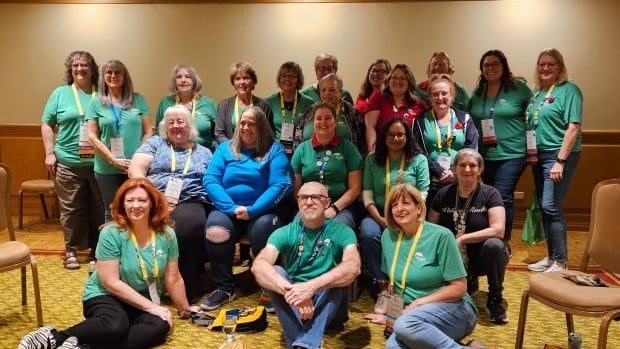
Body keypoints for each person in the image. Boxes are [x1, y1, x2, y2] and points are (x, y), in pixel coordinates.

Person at [18, 178, 200, 349]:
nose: (136, 205)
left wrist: (185, 310)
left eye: (142, 200)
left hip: (142, 298)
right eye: (130, 201)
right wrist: (152, 307)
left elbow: (173, 277)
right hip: (106, 295)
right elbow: (110, 282)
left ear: (152, 203)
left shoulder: (166, 234)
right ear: (122, 204)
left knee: (160, 327)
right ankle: (56, 337)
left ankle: (82, 346)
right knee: (115, 326)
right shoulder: (111, 232)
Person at [367, 183, 486, 349]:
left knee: (405, 326)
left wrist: (418, 304)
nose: (399, 209)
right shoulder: (388, 236)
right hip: (413, 316)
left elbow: (459, 288)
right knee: (392, 346)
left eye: (406, 203)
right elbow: (395, 287)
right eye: (394, 205)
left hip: (455, 309)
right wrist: (391, 319)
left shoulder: (441, 236)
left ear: (418, 208)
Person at [202, 106, 293, 310]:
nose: (245, 127)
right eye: (242, 123)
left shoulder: (274, 150)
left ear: (261, 126)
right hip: (230, 209)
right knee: (215, 230)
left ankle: (268, 285)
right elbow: (210, 179)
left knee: (264, 230)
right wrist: (232, 208)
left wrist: (252, 210)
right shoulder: (225, 148)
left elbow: (281, 185)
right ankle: (224, 288)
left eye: (251, 123)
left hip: (264, 209)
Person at [252, 181, 361, 349]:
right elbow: (258, 266)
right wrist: (292, 292)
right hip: (294, 304)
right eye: (303, 197)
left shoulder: (343, 231)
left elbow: (353, 266)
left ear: (327, 202)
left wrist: (311, 287)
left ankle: (304, 340)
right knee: (274, 271)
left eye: (315, 197)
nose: (308, 202)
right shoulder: (285, 232)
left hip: (330, 307)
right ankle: (306, 343)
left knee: (337, 275)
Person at [129, 105, 213, 302]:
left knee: (186, 228)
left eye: (180, 122)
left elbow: (213, 179)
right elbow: (136, 170)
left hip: (191, 199)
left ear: (189, 126)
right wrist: (156, 197)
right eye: (171, 122)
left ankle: (187, 285)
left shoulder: (204, 151)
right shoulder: (155, 143)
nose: (175, 126)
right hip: (154, 199)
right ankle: (144, 283)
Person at [428, 149, 509, 324]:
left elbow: (498, 230)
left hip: (480, 254)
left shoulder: (490, 193)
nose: (467, 169)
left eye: (472, 165)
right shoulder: (443, 194)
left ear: (479, 169)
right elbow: (431, 229)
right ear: (455, 168)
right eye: (462, 165)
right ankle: (465, 280)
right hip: (451, 255)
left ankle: (495, 298)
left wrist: (463, 238)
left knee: (495, 245)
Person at [41, 50, 104, 270]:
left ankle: (98, 250)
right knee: (71, 209)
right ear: (70, 69)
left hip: (100, 164)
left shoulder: (103, 93)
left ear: (92, 69)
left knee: (100, 209)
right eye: (75, 65)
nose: (79, 69)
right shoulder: (60, 93)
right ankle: (71, 251)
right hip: (68, 162)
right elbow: (47, 124)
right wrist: (50, 152)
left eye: (84, 65)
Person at [361, 118, 430, 314]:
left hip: (410, 214)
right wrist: (382, 220)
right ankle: (383, 289)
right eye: (391, 134)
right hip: (378, 214)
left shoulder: (419, 160)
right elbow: (367, 194)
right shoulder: (372, 160)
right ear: (383, 137)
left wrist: (406, 216)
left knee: (409, 236)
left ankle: (404, 289)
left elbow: (423, 193)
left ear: (408, 137)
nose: (396, 138)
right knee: (368, 233)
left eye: (401, 134)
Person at [467, 50, 532, 252]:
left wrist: (532, 150)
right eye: (486, 65)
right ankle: (488, 238)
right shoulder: (479, 92)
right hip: (484, 156)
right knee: (484, 197)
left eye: (495, 64)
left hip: (512, 154)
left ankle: (502, 241)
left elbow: (534, 116)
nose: (491, 68)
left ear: (504, 67)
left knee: (502, 196)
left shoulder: (519, 89)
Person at [526, 48, 582, 273]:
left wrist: (560, 160)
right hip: (538, 156)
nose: (545, 68)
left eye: (551, 64)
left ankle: (560, 260)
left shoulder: (570, 90)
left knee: (551, 205)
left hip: (558, 155)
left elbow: (574, 127)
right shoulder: (539, 93)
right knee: (544, 206)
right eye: (542, 64)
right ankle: (551, 257)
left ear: (560, 66)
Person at [87, 59, 152, 221]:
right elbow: (92, 137)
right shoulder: (95, 102)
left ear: (125, 77)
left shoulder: (138, 99)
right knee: (112, 210)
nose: (113, 76)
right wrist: (113, 160)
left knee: (137, 208)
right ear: (103, 77)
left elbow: (149, 132)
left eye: (118, 72)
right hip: (106, 168)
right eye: (109, 72)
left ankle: (135, 245)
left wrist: (137, 159)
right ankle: (112, 246)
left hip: (135, 166)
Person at [291, 102, 363, 230]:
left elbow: (355, 188)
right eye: (318, 118)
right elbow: (296, 189)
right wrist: (308, 205)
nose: (323, 122)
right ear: (313, 123)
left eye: (328, 118)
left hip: (341, 205)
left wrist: (334, 208)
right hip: (309, 203)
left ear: (335, 122)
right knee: (298, 230)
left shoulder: (348, 148)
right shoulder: (301, 149)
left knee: (335, 231)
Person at [412, 73, 478, 207]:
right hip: (430, 181)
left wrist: (454, 171)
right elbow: (417, 150)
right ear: (429, 97)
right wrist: (438, 170)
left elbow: (471, 148)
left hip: (460, 178)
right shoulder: (419, 120)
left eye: (444, 93)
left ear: (452, 96)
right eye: (435, 94)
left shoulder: (465, 119)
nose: (440, 98)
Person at [364, 64, 428, 153]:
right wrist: (372, 150)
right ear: (388, 81)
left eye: (402, 78)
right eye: (394, 78)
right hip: (381, 152)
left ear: (409, 82)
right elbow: (370, 126)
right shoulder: (378, 97)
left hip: (409, 153)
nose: (397, 81)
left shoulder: (419, 105)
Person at [154, 64, 217, 151]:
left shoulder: (208, 103)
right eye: (179, 77)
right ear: (175, 82)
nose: (183, 80)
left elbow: (217, 133)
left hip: (204, 154)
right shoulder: (165, 102)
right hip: (171, 154)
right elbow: (158, 131)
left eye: (188, 77)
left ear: (194, 81)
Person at [300, 73, 365, 153]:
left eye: (332, 90)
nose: (327, 93)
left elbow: (362, 143)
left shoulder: (351, 112)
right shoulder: (310, 111)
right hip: (310, 161)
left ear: (340, 92)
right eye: (323, 90)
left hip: (344, 161)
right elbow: (298, 136)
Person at [214, 61, 273, 144]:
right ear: (233, 83)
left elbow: (268, 135)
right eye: (237, 78)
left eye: (246, 78)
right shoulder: (224, 105)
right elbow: (219, 134)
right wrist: (234, 149)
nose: (242, 82)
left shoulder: (264, 106)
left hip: (257, 153)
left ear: (253, 82)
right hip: (230, 153)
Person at [265, 61, 314, 156]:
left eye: (292, 76)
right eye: (283, 76)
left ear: (298, 79)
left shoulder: (308, 102)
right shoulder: (269, 102)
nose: (287, 79)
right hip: (276, 152)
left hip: (301, 152)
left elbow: (310, 132)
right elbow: (266, 131)